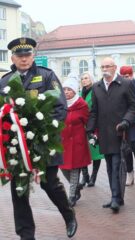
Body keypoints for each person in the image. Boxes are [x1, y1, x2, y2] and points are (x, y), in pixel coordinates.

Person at [0, 37, 77, 239]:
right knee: (19, 189)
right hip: (17, 146)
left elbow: (61, 107)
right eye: (20, 56)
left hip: (44, 141)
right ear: (13, 57)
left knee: (49, 183)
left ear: (33, 56)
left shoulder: (46, 76)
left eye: (27, 55)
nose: (24, 59)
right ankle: (26, 234)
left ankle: (68, 215)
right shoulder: (5, 81)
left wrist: (43, 130)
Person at [86, 57, 135, 213]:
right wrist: (89, 129)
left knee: (116, 165)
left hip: (119, 133)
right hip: (103, 134)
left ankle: (115, 198)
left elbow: (133, 107)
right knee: (109, 167)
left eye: (107, 66)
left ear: (115, 67)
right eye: (102, 67)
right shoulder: (97, 87)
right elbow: (94, 111)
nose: (104, 69)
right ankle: (117, 197)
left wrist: (126, 122)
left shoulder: (126, 84)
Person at [60, 73, 91, 207]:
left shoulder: (81, 104)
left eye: (69, 90)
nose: (66, 92)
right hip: (63, 141)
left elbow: (88, 121)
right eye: (65, 89)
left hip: (78, 141)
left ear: (74, 91)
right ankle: (77, 186)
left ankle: (72, 196)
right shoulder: (59, 104)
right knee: (63, 168)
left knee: (74, 169)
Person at [119, 66, 135, 186]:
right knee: (126, 150)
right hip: (125, 122)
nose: (125, 78)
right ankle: (129, 173)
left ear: (132, 74)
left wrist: (132, 104)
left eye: (127, 76)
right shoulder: (119, 85)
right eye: (123, 76)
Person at [80, 71, 104, 187]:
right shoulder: (81, 93)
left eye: (86, 78)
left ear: (91, 79)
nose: (84, 80)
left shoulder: (95, 90)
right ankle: (85, 176)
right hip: (82, 125)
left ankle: (93, 176)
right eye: (82, 79)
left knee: (95, 151)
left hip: (93, 125)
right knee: (83, 151)